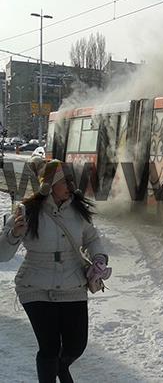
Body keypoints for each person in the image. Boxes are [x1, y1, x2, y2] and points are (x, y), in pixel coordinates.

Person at [0, 159, 111, 383]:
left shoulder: (78, 209)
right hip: (35, 286)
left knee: (76, 345)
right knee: (49, 347)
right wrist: (13, 234)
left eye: (71, 180)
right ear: (48, 185)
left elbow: (91, 238)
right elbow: (2, 254)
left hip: (72, 284)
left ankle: (61, 367)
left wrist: (98, 257)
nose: (71, 185)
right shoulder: (27, 211)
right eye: (64, 181)